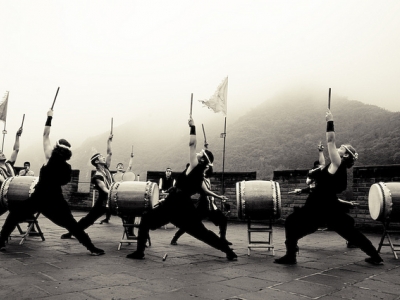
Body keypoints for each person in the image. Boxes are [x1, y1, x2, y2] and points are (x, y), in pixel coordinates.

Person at [274, 109, 383, 266]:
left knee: (292, 222)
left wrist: (329, 121)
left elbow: (331, 141)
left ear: (345, 155)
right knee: (350, 233)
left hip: (318, 205)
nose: (339, 147)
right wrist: (320, 152)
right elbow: (323, 163)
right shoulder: (336, 166)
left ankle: (291, 255)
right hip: (329, 205)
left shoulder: (338, 163)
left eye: (342, 148)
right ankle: (375, 256)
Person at [126, 116, 237, 261]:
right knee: (202, 233)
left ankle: (139, 252)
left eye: (200, 153)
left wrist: (193, 127)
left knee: (146, 220)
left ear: (202, 159)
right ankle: (229, 251)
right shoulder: (200, 173)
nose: (197, 153)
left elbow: (192, 145)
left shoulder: (194, 167)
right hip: (184, 207)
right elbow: (202, 180)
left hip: (174, 205)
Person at [0, 109, 104, 255]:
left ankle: (1, 242)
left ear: (56, 147)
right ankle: (92, 248)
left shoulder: (49, 157)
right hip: (56, 200)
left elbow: (45, 135)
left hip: (37, 198)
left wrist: (49, 117)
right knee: (72, 224)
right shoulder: (67, 167)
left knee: (14, 215)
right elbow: (64, 182)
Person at [60, 134, 113, 240]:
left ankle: (130, 233)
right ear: (97, 161)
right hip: (103, 202)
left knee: (129, 212)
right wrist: (116, 193)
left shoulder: (106, 169)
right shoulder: (97, 176)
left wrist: (109, 141)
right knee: (88, 220)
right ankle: (71, 233)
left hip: (112, 200)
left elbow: (109, 153)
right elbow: (105, 190)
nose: (104, 157)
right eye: (101, 157)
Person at [170, 165, 232, 246]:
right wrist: (219, 197)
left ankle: (222, 239)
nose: (207, 168)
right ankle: (175, 238)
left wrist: (216, 199)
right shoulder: (199, 178)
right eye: (205, 167)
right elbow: (206, 191)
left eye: (207, 167)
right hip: (202, 206)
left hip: (211, 205)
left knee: (223, 220)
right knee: (190, 223)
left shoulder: (207, 178)